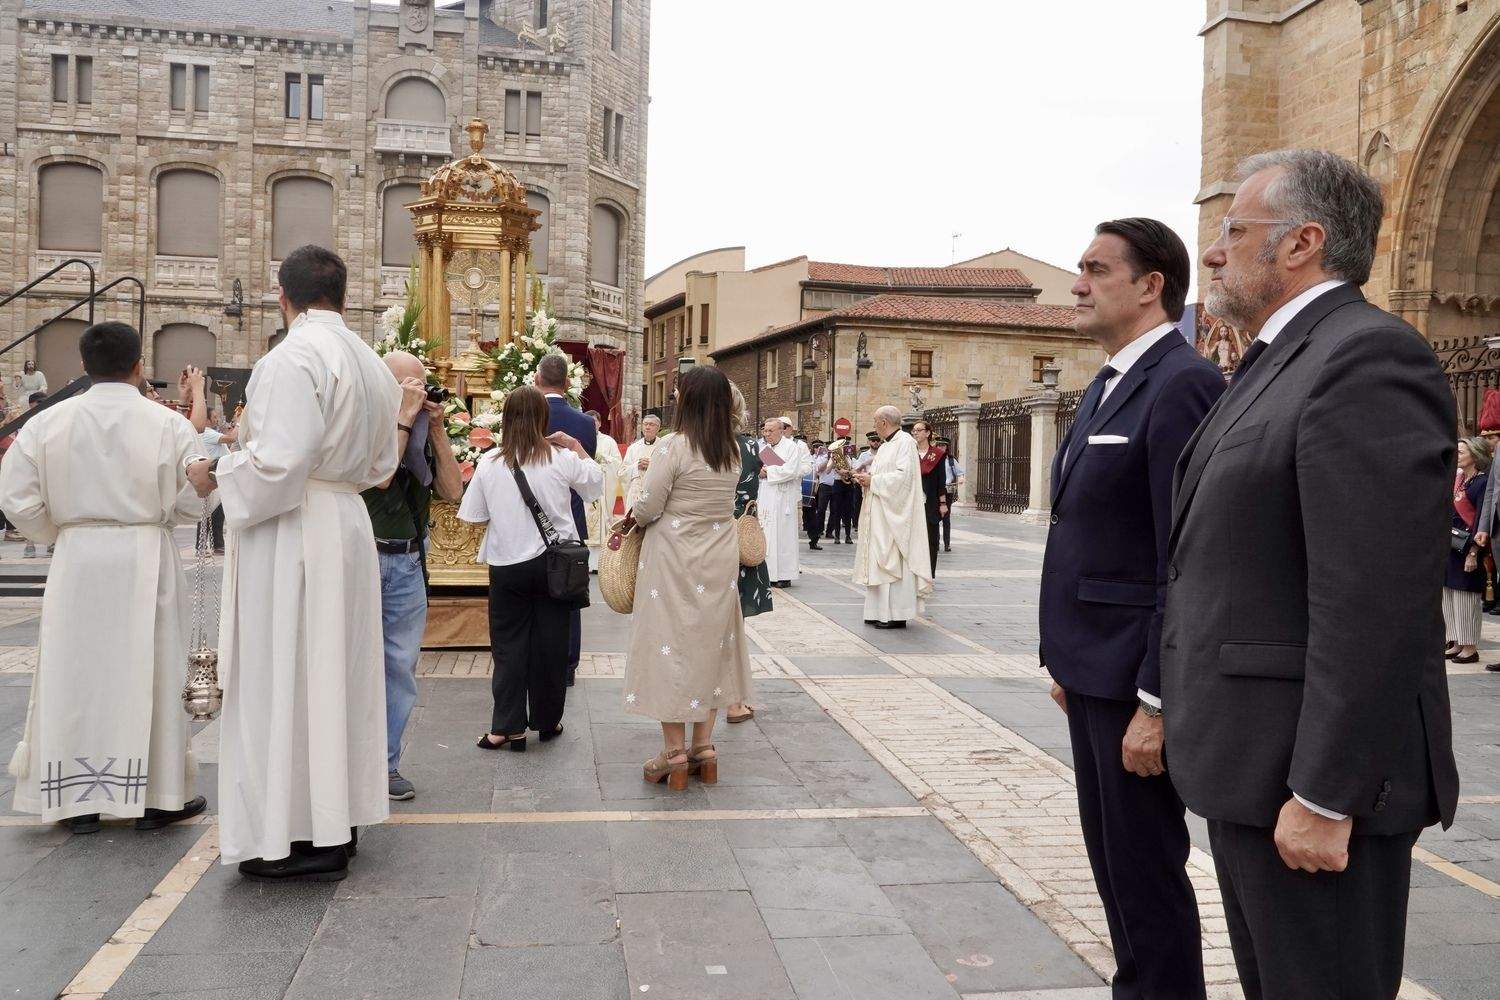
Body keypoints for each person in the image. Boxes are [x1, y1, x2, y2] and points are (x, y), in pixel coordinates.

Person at [1163, 150, 1459, 998]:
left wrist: (1327, 794)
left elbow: (1373, 601)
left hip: (1311, 785)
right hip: (1252, 768)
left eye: (1232, 231)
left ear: (1303, 243)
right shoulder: (1278, 359)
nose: (1213, 252)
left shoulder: (1366, 358)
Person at [1040, 217, 1224, 1000]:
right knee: (1114, 865)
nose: (1077, 284)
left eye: (1095, 269)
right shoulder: (1109, 382)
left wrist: (1156, 697)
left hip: (1132, 679)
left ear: (1151, 285)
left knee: (1146, 870)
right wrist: (1064, 660)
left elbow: (1183, 556)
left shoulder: (1182, 383)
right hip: (1090, 669)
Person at [188, 245, 402, 883]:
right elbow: (381, 466)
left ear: (283, 297)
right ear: (340, 294)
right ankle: (338, 820)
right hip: (346, 522)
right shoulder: (372, 364)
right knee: (336, 676)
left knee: (286, 675)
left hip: (296, 529)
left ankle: (303, 834)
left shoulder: (290, 357)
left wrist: (213, 472)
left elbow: (280, 462)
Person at [0, 321, 213, 835]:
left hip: (79, 558)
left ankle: (78, 801)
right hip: (146, 555)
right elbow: (196, 495)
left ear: (83, 367)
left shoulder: (47, 422)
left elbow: (16, 498)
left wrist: (62, 530)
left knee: (78, 673)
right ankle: (158, 797)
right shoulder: (167, 424)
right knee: (153, 671)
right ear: (140, 366)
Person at [623, 366, 750, 788]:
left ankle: (674, 753)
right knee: (710, 645)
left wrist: (632, 517)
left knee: (669, 646)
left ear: (691, 401)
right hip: (718, 557)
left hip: (674, 559)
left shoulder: (672, 447)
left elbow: (649, 505)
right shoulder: (731, 450)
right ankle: (704, 747)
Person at [460, 385, 599, 752]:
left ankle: (506, 727)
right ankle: (547, 720)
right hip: (555, 564)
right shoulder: (559, 457)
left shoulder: (490, 463)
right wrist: (576, 446)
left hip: (508, 565)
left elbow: (473, 515)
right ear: (543, 419)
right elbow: (596, 484)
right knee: (551, 645)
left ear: (505, 420)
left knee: (508, 647)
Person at [363, 350, 464, 801]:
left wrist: (437, 427)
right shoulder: (365, 425)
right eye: (408, 386)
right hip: (366, 555)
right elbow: (382, 475)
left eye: (421, 385)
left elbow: (452, 490)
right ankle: (351, 760)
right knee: (356, 665)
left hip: (407, 562)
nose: (418, 394)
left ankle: (385, 765)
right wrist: (402, 418)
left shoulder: (422, 431)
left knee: (400, 668)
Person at [537, 354, 595, 687]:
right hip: (570, 519)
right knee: (569, 593)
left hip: (531, 517)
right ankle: (568, 663)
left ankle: (538, 659)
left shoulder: (525, 415)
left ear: (536, 380)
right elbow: (585, 476)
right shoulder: (585, 424)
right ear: (568, 383)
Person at [852, 405, 930, 629]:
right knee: (878, 558)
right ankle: (877, 610)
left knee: (892, 560)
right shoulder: (886, 446)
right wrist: (867, 478)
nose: (874, 426)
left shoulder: (905, 443)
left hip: (895, 515)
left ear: (884, 422)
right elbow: (883, 474)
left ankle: (896, 614)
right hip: (879, 512)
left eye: (875, 422)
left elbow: (903, 478)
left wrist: (873, 481)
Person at [726, 382, 771, 726]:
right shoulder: (754, 444)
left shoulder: (702, 445)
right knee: (732, 620)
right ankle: (734, 699)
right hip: (742, 536)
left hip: (706, 538)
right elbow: (771, 466)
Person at [1445, 437, 1489, 665]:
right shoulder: (1460, 479)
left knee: (1465, 595)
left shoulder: (1482, 482)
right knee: (1449, 594)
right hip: (1450, 545)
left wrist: (1474, 551)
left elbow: (1481, 517)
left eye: (1462, 451)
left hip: (1468, 546)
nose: (1458, 454)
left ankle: (1469, 646)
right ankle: (1456, 640)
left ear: (1475, 455)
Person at [756, 415, 805, 587]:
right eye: (765, 431)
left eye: (770, 431)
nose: (767, 434)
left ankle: (784, 574)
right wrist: (761, 471)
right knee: (767, 535)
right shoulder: (765, 448)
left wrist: (768, 471)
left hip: (783, 498)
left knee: (783, 537)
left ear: (781, 431)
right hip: (767, 496)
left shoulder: (791, 447)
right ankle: (768, 573)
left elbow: (791, 470)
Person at [586, 410, 623, 569]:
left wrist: (603, 458)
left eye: (595, 421)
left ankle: (600, 562)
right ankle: (586, 562)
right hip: (586, 487)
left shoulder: (608, 441)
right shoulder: (580, 440)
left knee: (603, 519)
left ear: (600, 423)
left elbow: (618, 464)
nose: (592, 424)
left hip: (604, 485)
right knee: (587, 519)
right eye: (589, 421)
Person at [911, 420, 948, 578]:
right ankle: (914, 571)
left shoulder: (937, 455)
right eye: (914, 430)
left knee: (931, 539)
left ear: (927, 433)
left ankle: (929, 572)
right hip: (912, 502)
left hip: (930, 503)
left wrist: (943, 503)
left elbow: (941, 480)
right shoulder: (909, 453)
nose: (915, 433)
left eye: (919, 430)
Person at [622, 413, 661, 502]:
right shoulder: (633, 448)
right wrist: (636, 466)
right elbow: (622, 473)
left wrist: (652, 465)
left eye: (651, 424)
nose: (647, 427)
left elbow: (670, 469)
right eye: (645, 424)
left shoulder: (664, 446)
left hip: (655, 492)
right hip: (635, 492)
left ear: (658, 428)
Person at [806, 439, 837, 550]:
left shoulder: (838, 457)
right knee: (821, 509)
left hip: (836, 484)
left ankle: (830, 531)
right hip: (824, 485)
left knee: (834, 510)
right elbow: (820, 469)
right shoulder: (821, 457)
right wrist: (829, 459)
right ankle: (819, 530)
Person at [937, 437, 963, 552]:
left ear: (947, 447)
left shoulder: (951, 460)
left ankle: (947, 543)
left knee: (946, 518)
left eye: (943, 445)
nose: (941, 447)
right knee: (935, 518)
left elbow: (960, 472)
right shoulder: (933, 458)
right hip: (936, 490)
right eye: (939, 445)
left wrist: (961, 478)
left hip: (948, 490)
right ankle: (935, 542)